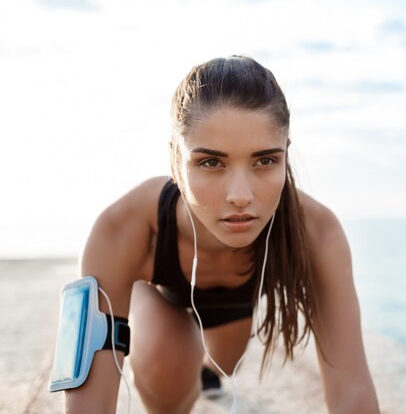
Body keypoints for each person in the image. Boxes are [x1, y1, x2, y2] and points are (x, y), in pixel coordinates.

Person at [64, 55, 380, 414]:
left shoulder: (318, 233)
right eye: (211, 162)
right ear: (174, 162)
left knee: (222, 367)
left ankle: (208, 371)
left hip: (233, 307)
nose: (241, 196)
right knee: (168, 369)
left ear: (285, 156)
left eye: (265, 161)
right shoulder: (121, 228)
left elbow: (351, 388)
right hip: (159, 292)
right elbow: (85, 401)